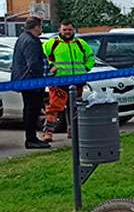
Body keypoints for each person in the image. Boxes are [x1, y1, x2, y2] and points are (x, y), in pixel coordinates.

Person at [41, 19, 95, 141]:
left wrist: (86, 67)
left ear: (73, 30)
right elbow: (41, 57)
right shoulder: (52, 43)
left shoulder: (81, 43)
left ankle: (73, 131)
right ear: (60, 30)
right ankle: (48, 132)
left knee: (75, 108)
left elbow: (91, 57)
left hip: (78, 82)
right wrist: (50, 68)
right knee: (54, 108)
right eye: (64, 30)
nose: (67, 32)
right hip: (58, 82)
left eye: (69, 30)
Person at [10, 17, 50, 149]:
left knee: (29, 109)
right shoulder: (31, 41)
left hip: (25, 81)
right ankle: (31, 139)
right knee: (31, 110)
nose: (41, 29)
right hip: (31, 82)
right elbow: (33, 64)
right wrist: (42, 78)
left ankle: (31, 138)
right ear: (36, 27)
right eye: (41, 26)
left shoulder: (22, 38)